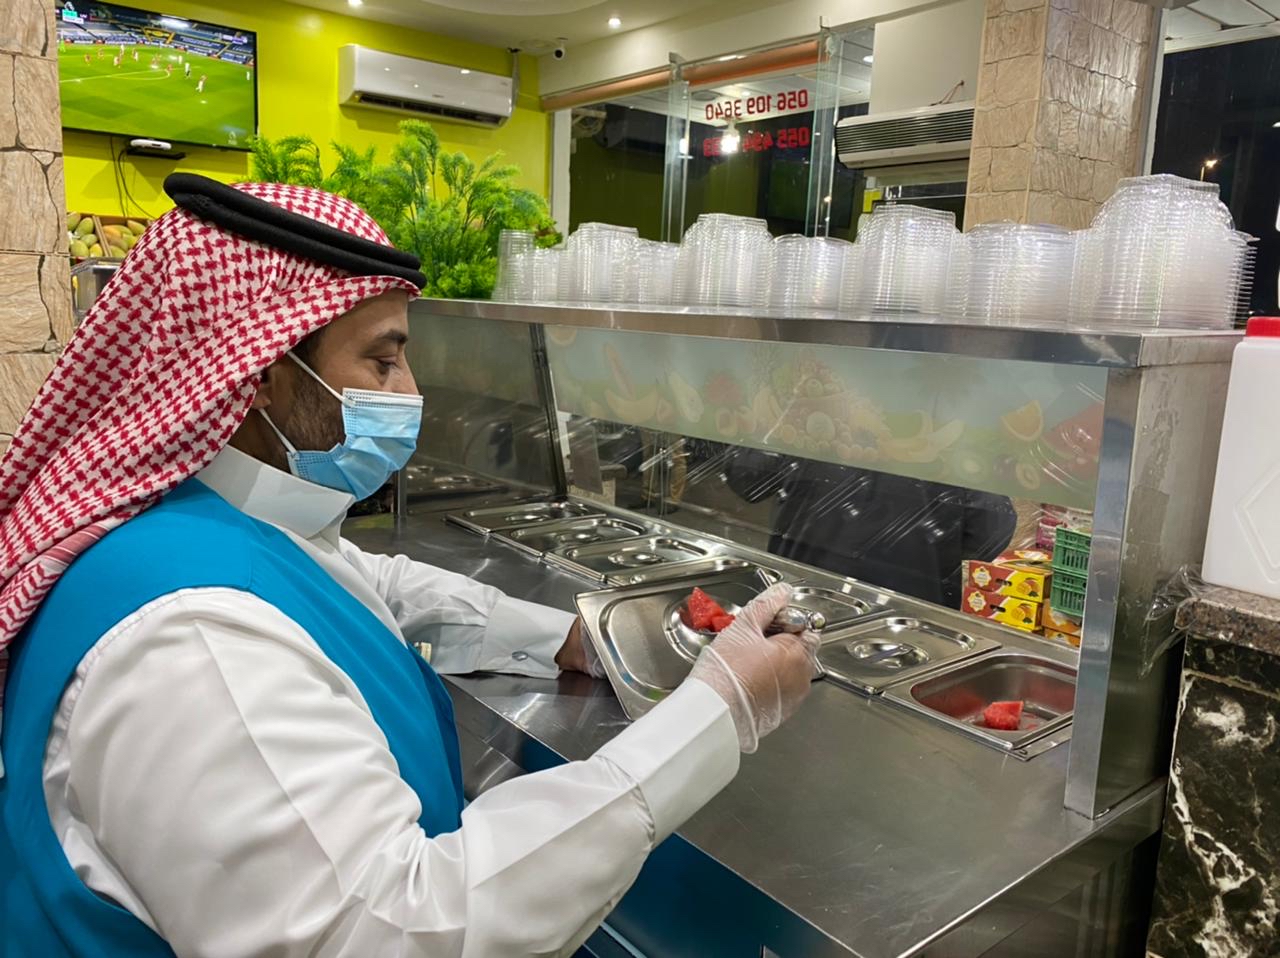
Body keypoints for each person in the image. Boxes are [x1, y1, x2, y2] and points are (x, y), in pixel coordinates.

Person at [0, 174, 818, 957]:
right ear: (265, 376)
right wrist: (719, 712)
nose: (409, 391)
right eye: (383, 362)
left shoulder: (198, 521)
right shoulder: (194, 642)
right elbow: (394, 931)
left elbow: (363, 582)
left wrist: (565, 637)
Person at [722, 447, 1017, 608]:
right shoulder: (946, 439)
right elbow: (991, 531)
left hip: (800, 597)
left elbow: (746, 479)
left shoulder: (813, 418)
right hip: (908, 613)